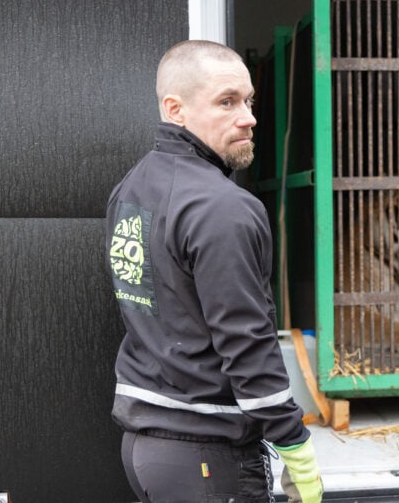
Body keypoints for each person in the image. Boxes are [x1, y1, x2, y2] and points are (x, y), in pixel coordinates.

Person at [105, 40, 323, 503]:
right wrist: (296, 447)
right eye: (227, 102)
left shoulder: (133, 186)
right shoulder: (223, 209)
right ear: (175, 109)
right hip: (207, 460)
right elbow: (247, 343)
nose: (248, 117)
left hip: (146, 451)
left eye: (248, 100)